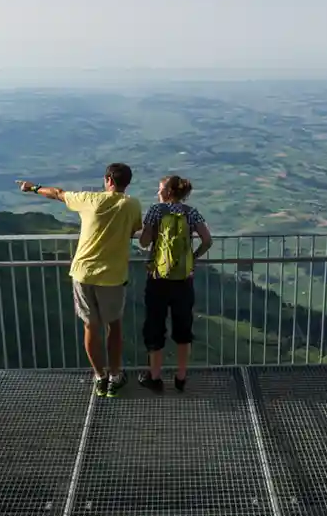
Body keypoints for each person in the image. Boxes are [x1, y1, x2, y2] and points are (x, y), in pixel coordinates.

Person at [17, 163, 142, 397]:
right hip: (112, 276)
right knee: (113, 327)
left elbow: (57, 194)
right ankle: (115, 376)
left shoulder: (88, 199)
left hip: (83, 273)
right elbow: (134, 230)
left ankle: (99, 377)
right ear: (127, 182)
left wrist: (32, 188)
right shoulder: (132, 205)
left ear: (108, 180)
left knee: (90, 326)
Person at [138, 175, 212, 392]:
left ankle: (155, 377)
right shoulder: (191, 212)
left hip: (158, 279)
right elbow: (207, 240)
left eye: (160, 189)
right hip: (183, 280)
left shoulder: (155, 211)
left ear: (168, 192)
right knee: (183, 330)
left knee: (155, 328)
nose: (158, 192)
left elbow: (143, 242)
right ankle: (181, 377)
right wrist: (192, 258)